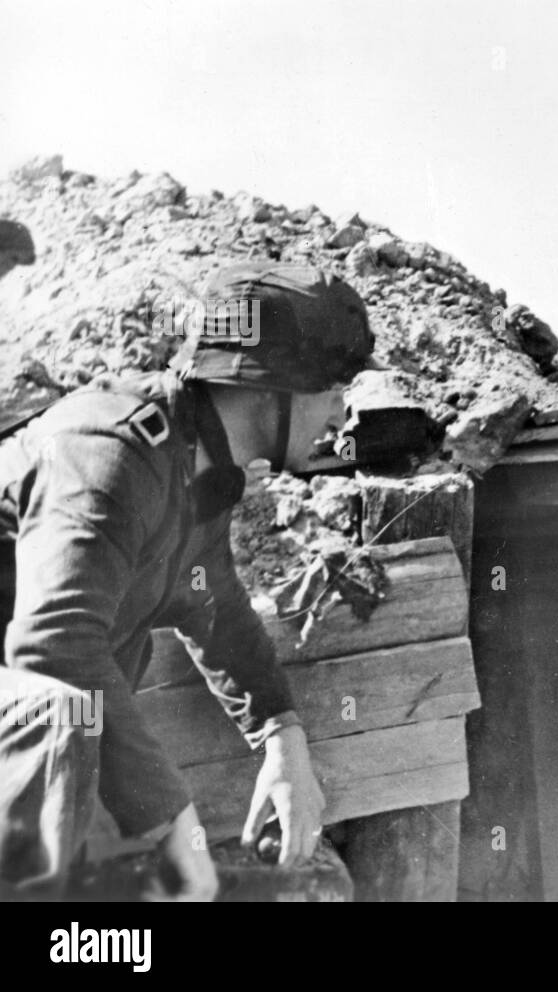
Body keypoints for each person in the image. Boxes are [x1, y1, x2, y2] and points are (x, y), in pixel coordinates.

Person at [0, 261, 376, 900]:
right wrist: (171, 824)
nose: (343, 415)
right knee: (60, 714)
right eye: (334, 389)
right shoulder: (113, 452)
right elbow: (53, 648)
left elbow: (214, 605)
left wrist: (282, 739)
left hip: (36, 763)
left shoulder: (195, 461)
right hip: (32, 744)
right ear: (270, 388)